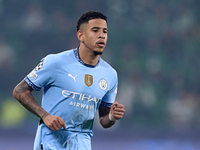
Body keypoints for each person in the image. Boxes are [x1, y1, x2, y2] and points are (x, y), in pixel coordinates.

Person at [13, 11, 125, 150]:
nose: (101, 35)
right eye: (95, 30)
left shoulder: (110, 74)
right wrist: (45, 116)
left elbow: (103, 120)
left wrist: (112, 117)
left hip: (82, 143)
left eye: (105, 31)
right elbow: (19, 91)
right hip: (51, 141)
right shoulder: (55, 62)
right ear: (81, 35)